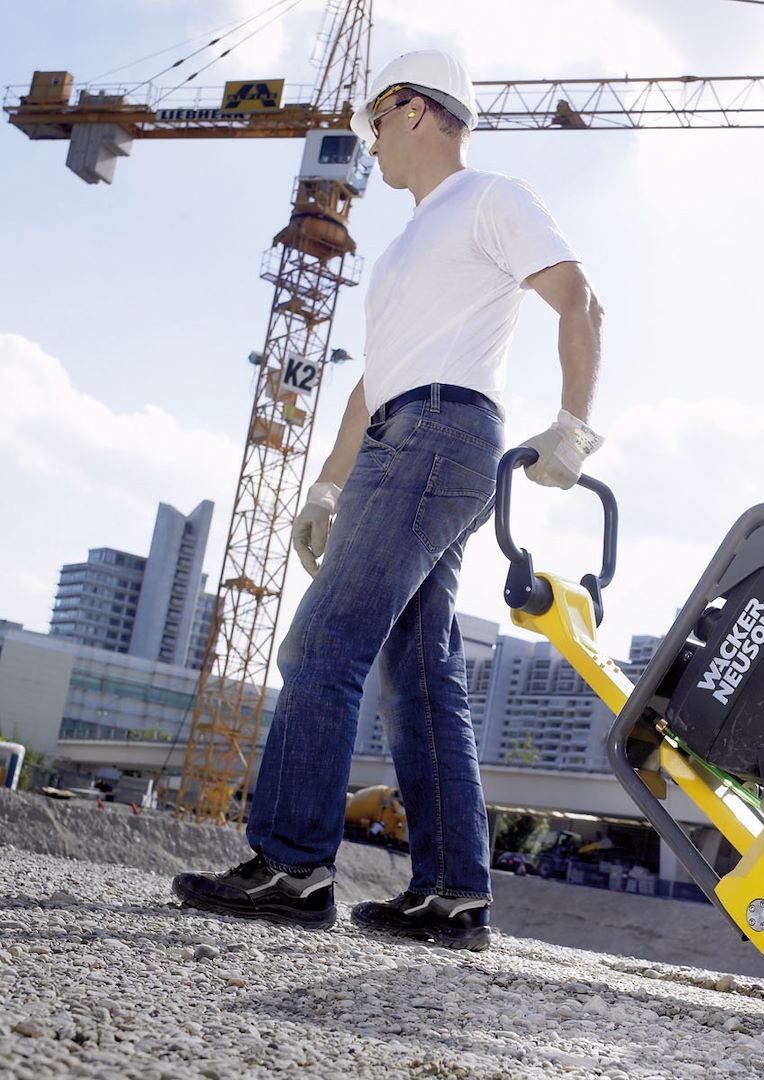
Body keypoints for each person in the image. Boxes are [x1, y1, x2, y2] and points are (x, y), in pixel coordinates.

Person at [172, 49, 604, 952]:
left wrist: (573, 425)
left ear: (413, 108)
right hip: (409, 435)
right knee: (419, 668)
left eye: (374, 122)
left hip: (440, 434)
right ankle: (452, 892)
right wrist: (328, 484)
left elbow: (579, 301)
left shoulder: (490, 197)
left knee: (322, 642)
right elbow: (375, 383)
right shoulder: (407, 246)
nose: (368, 143)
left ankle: (291, 866)